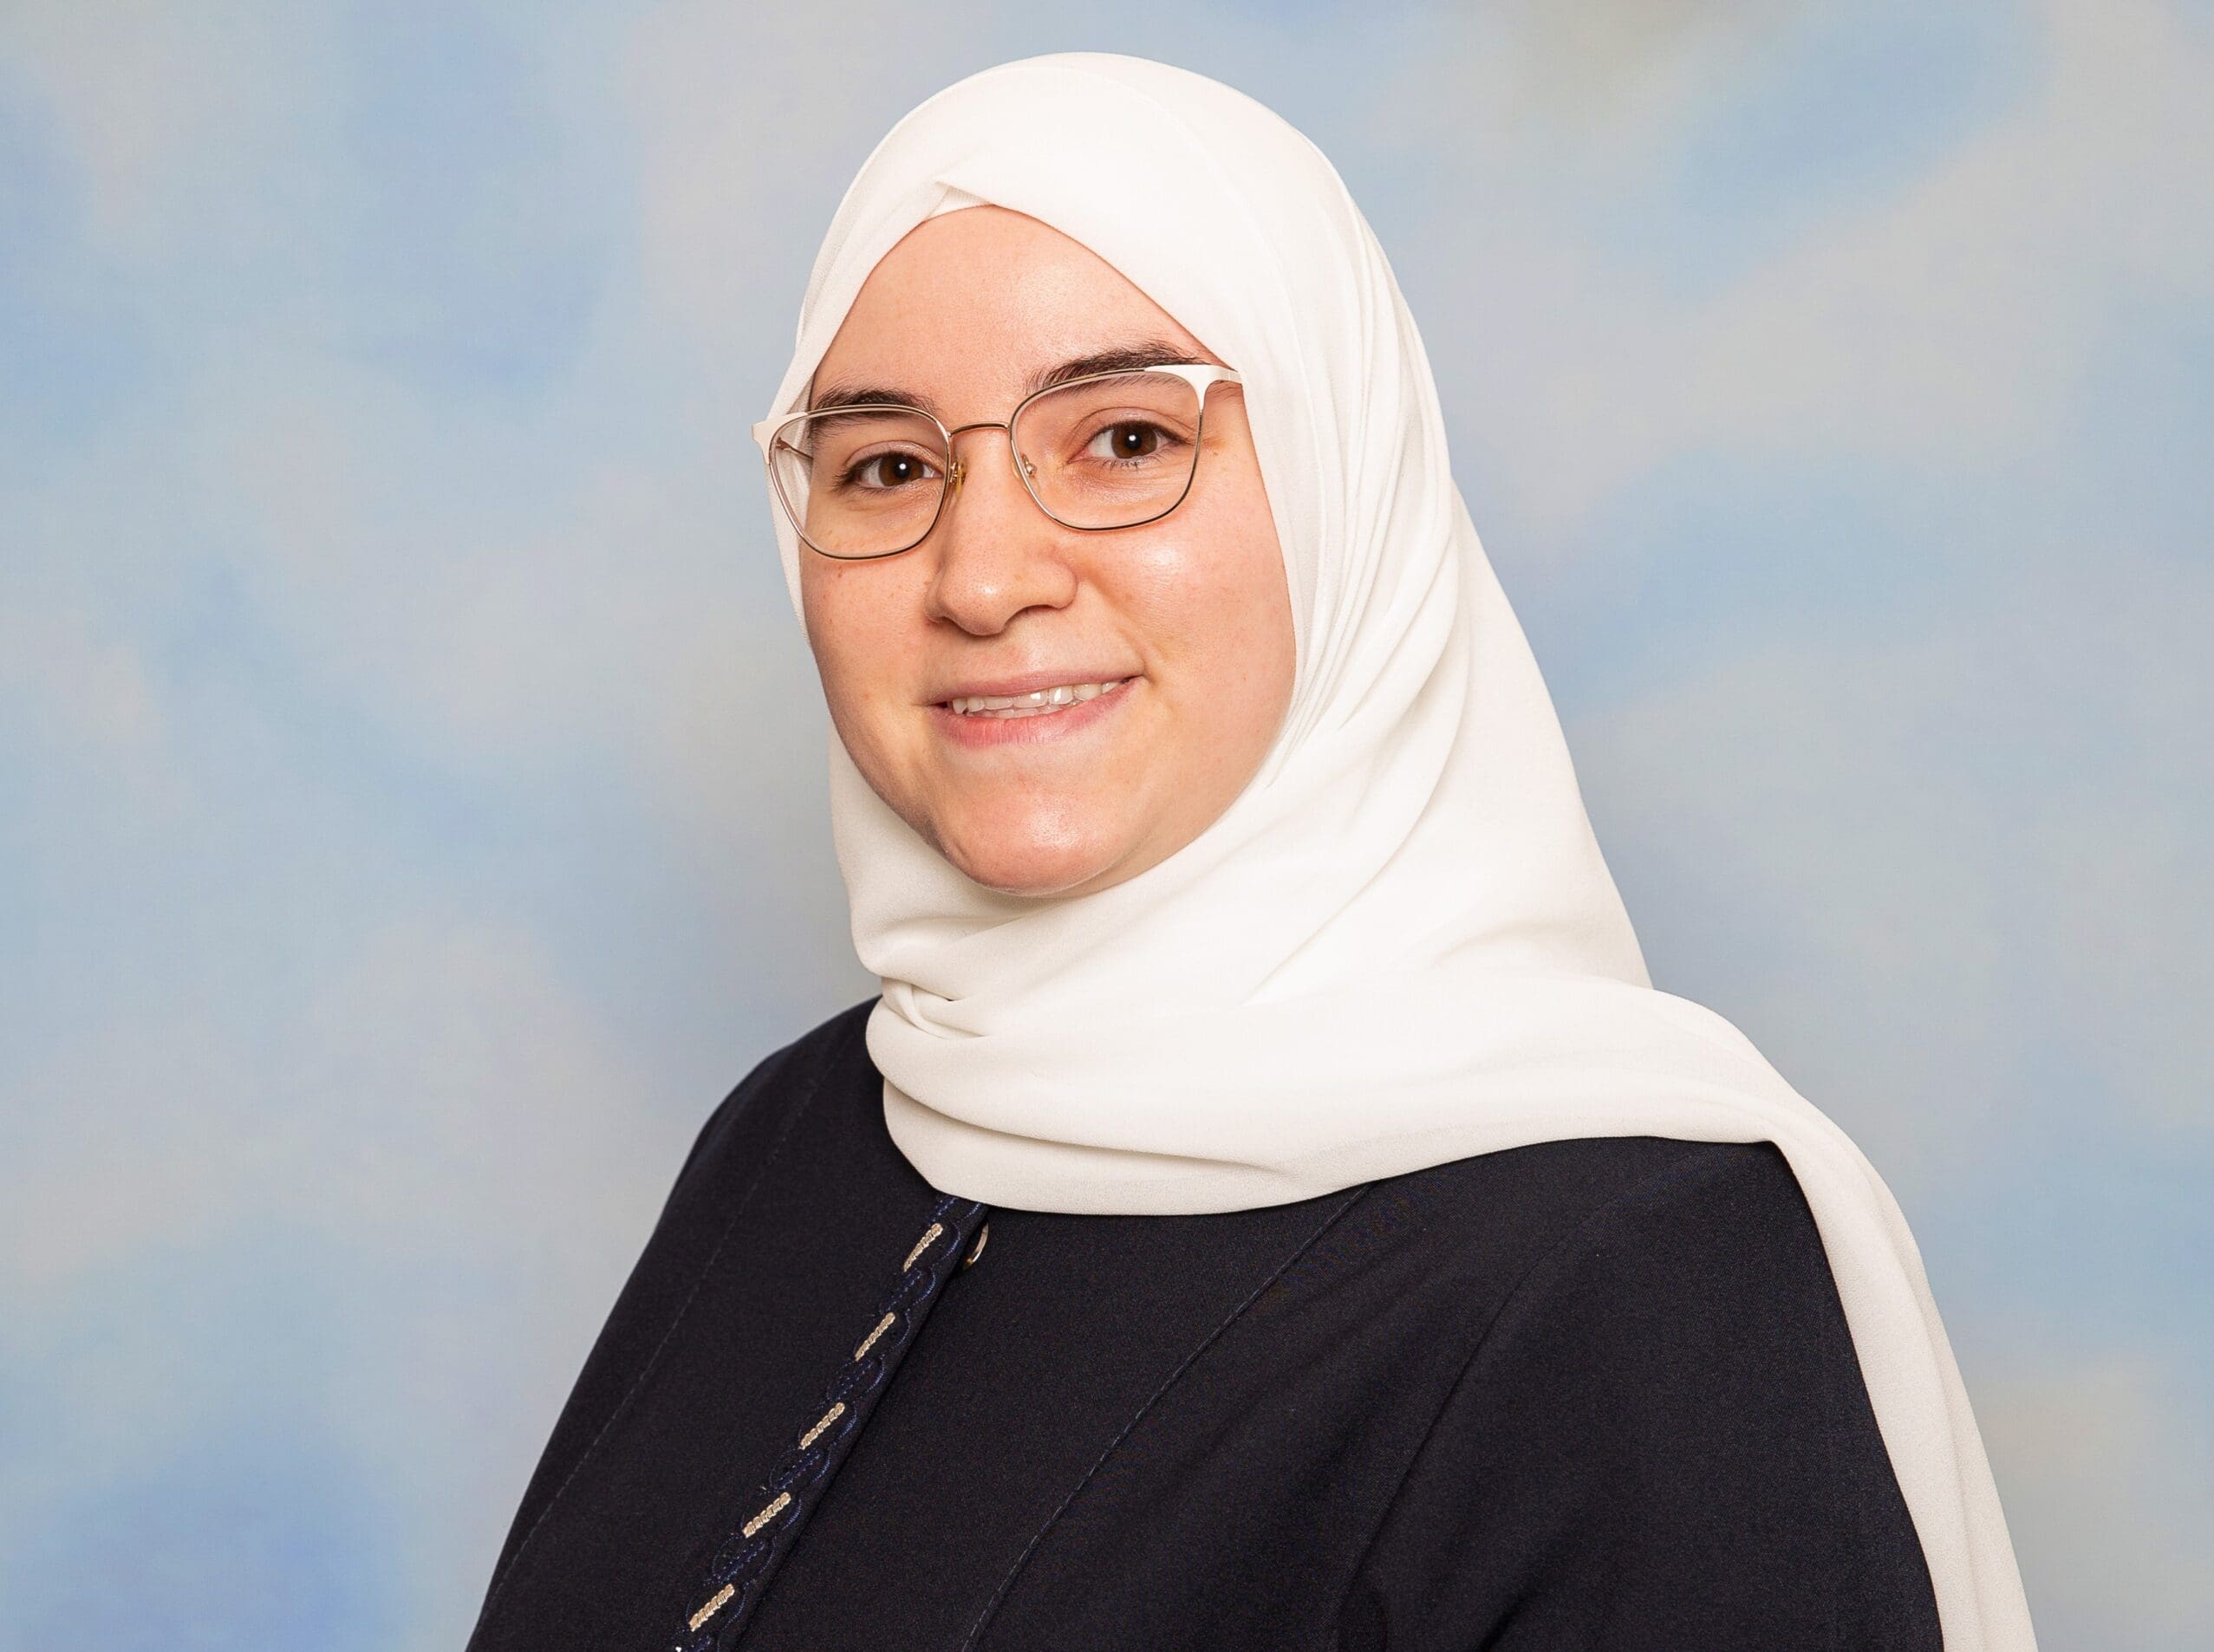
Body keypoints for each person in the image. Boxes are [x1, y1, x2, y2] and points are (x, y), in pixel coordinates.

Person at [464, 51, 2036, 1652]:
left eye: (1126, 438)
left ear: (1342, 494)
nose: (984, 577)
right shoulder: (803, 1137)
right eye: (888, 465)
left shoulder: (1644, 1280)